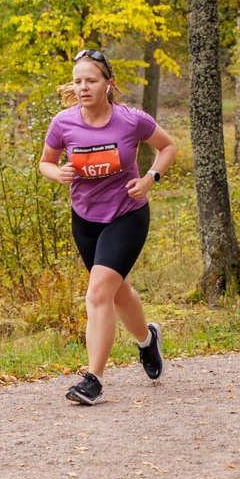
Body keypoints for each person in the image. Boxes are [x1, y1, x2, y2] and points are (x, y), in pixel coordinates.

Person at [39, 49, 177, 406]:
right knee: (118, 292)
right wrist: (58, 173)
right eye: (78, 81)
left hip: (127, 215)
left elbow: (167, 147)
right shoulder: (63, 122)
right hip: (85, 219)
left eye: (91, 80)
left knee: (99, 291)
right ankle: (147, 340)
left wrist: (149, 179)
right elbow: (45, 163)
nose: (83, 87)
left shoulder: (131, 120)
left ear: (108, 84)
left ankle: (93, 380)